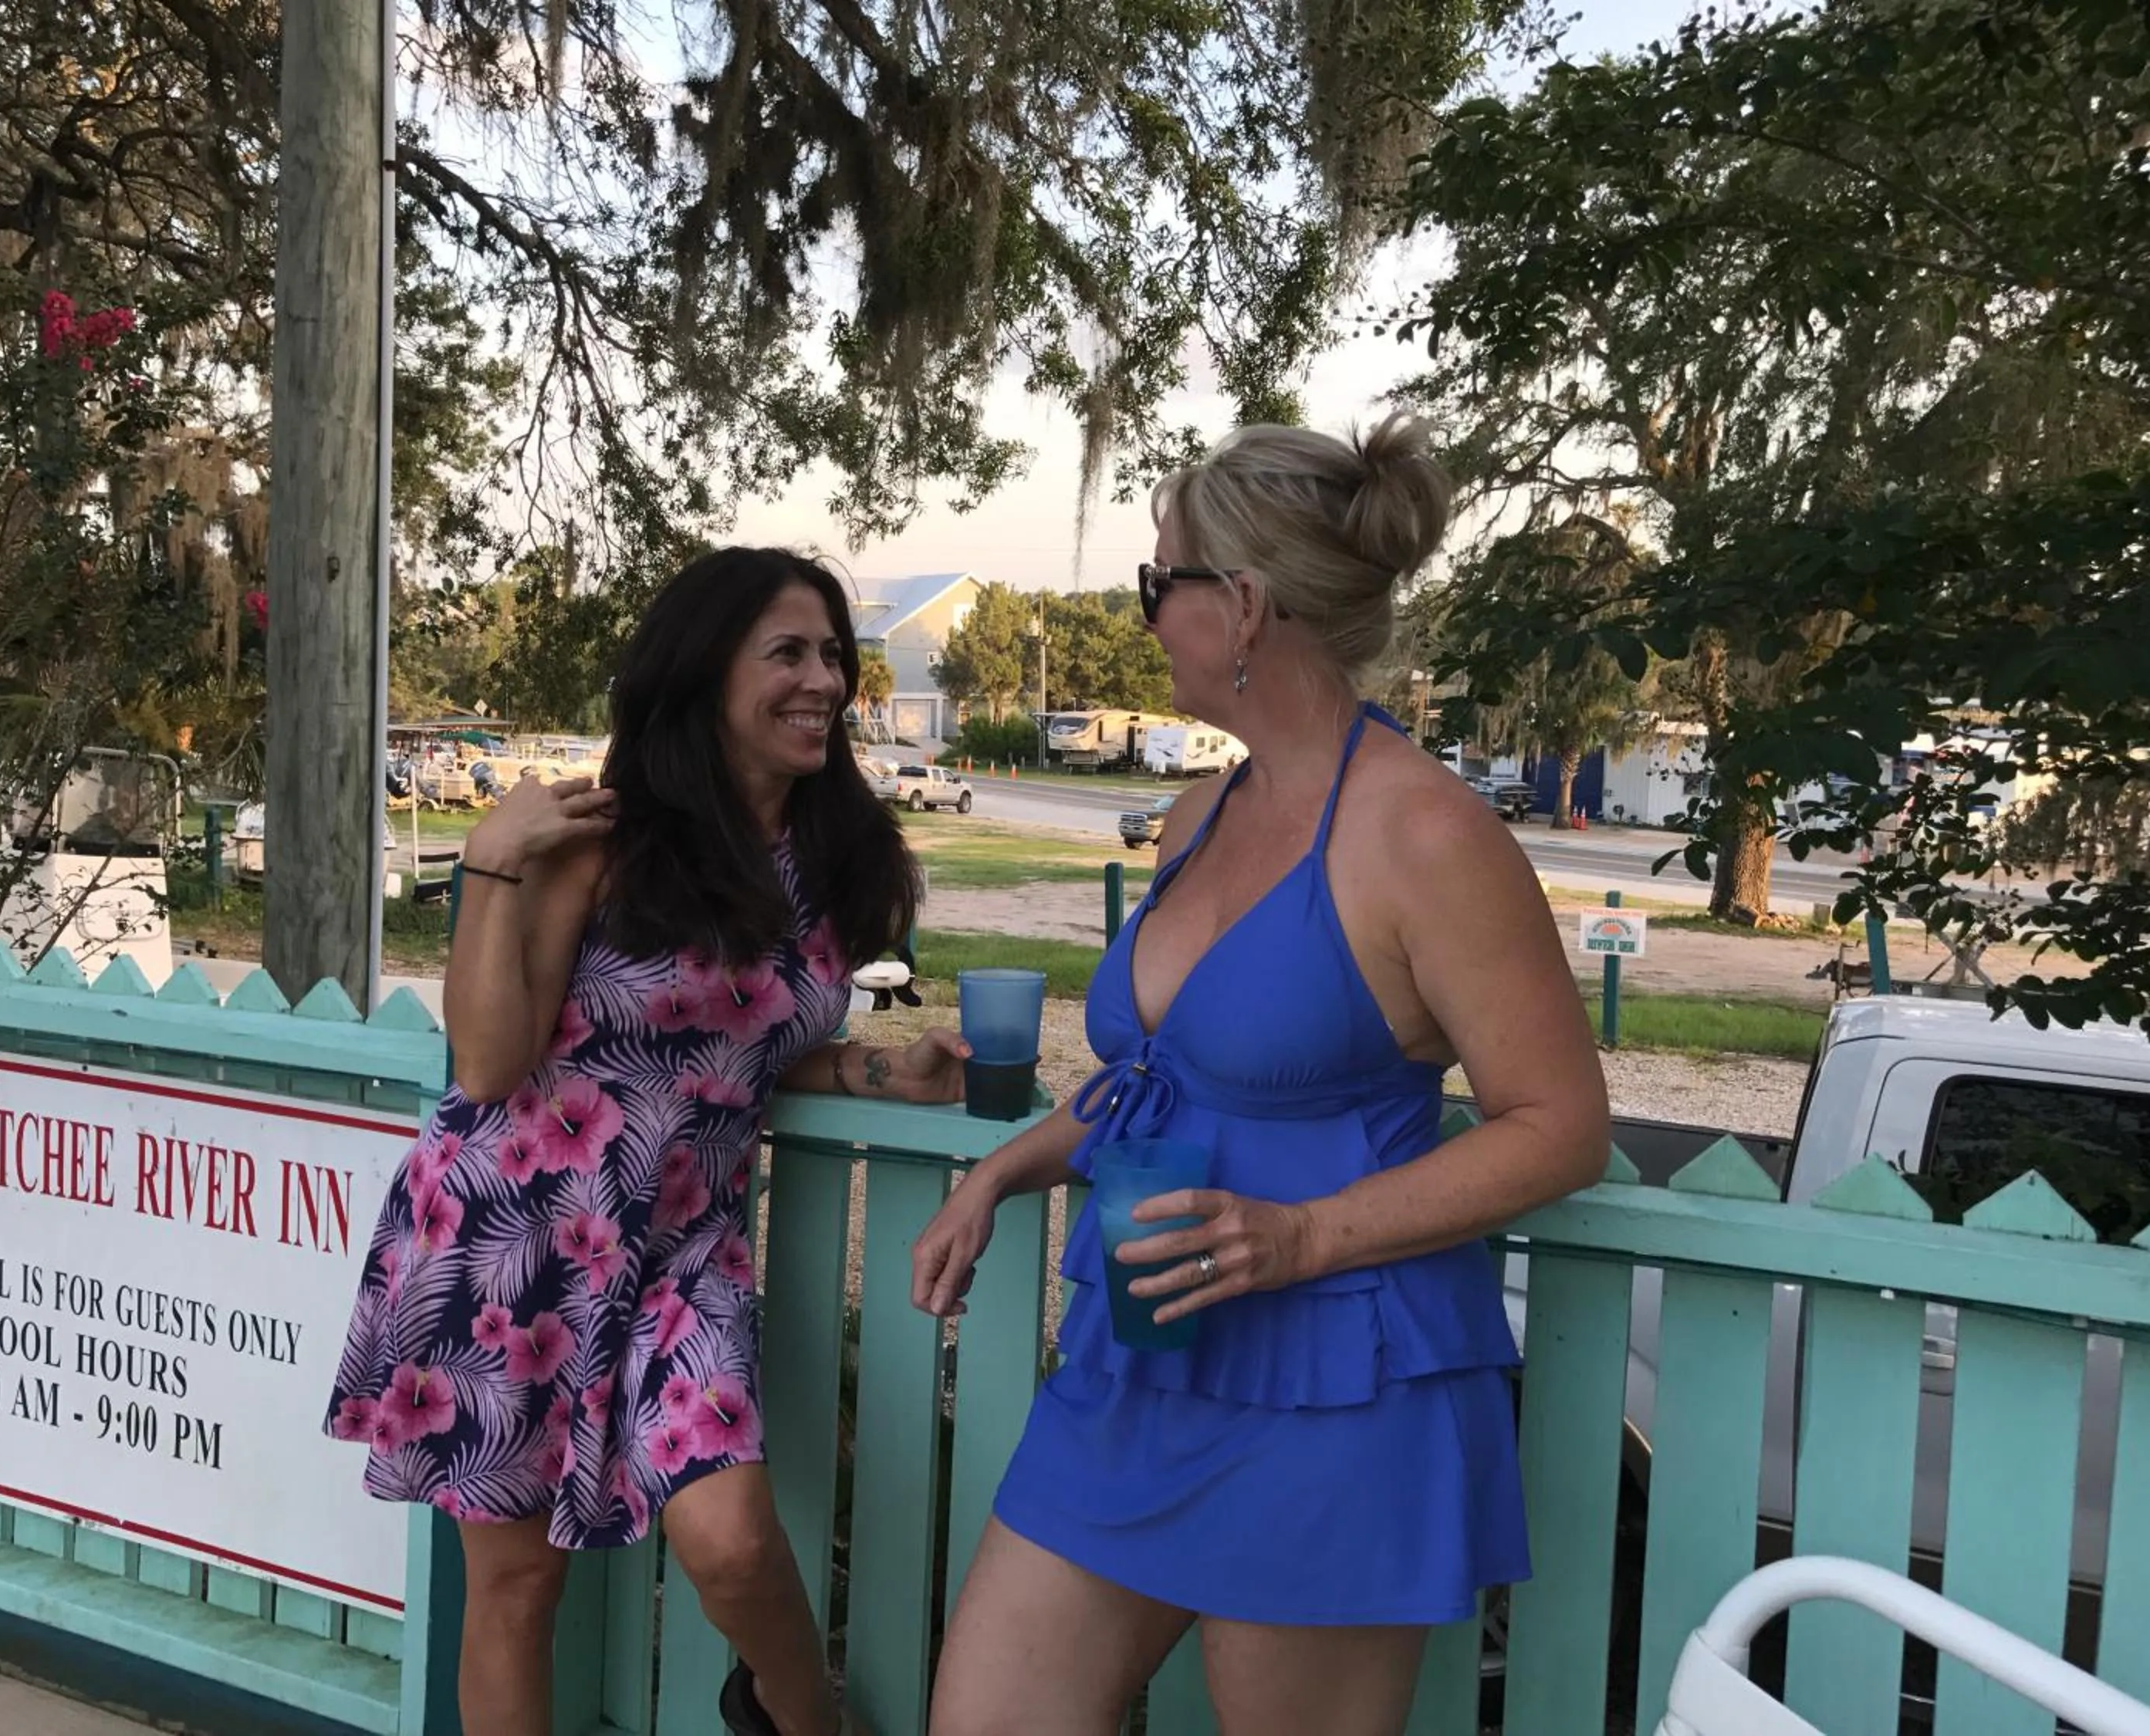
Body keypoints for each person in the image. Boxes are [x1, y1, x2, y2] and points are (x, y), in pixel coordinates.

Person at [910, 416, 1611, 1735]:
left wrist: (1301, 1236)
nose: (1146, 614)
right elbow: (1164, 1081)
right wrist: (1004, 1169)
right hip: (1144, 1354)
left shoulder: (1423, 832)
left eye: (1155, 582)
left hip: (1338, 1380)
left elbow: (1562, 1126)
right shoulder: (1200, 812)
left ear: (1240, 606)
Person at [324, 548, 971, 1736]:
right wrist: (489, 861)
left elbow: (755, 1051)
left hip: (681, 1256)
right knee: (516, 1589)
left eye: (832, 652)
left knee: (731, 1544)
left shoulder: (834, 871)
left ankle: (796, 1716)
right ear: (705, 676)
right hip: (511, 1241)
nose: (822, 677)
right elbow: (487, 1063)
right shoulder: (602, 840)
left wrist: (891, 1069)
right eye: (787, 652)